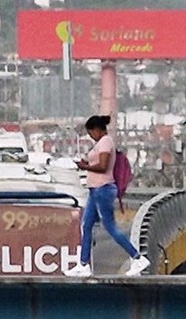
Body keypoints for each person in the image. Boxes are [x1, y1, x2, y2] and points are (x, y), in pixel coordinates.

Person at [64, 115, 150, 277]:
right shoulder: (101, 143)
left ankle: (138, 258)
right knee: (86, 226)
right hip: (94, 189)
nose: (91, 136)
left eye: (91, 133)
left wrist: (85, 166)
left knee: (110, 227)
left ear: (97, 130)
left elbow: (103, 166)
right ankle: (83, 264)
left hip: (102, 189)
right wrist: (86, 164)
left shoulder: (105, 142)